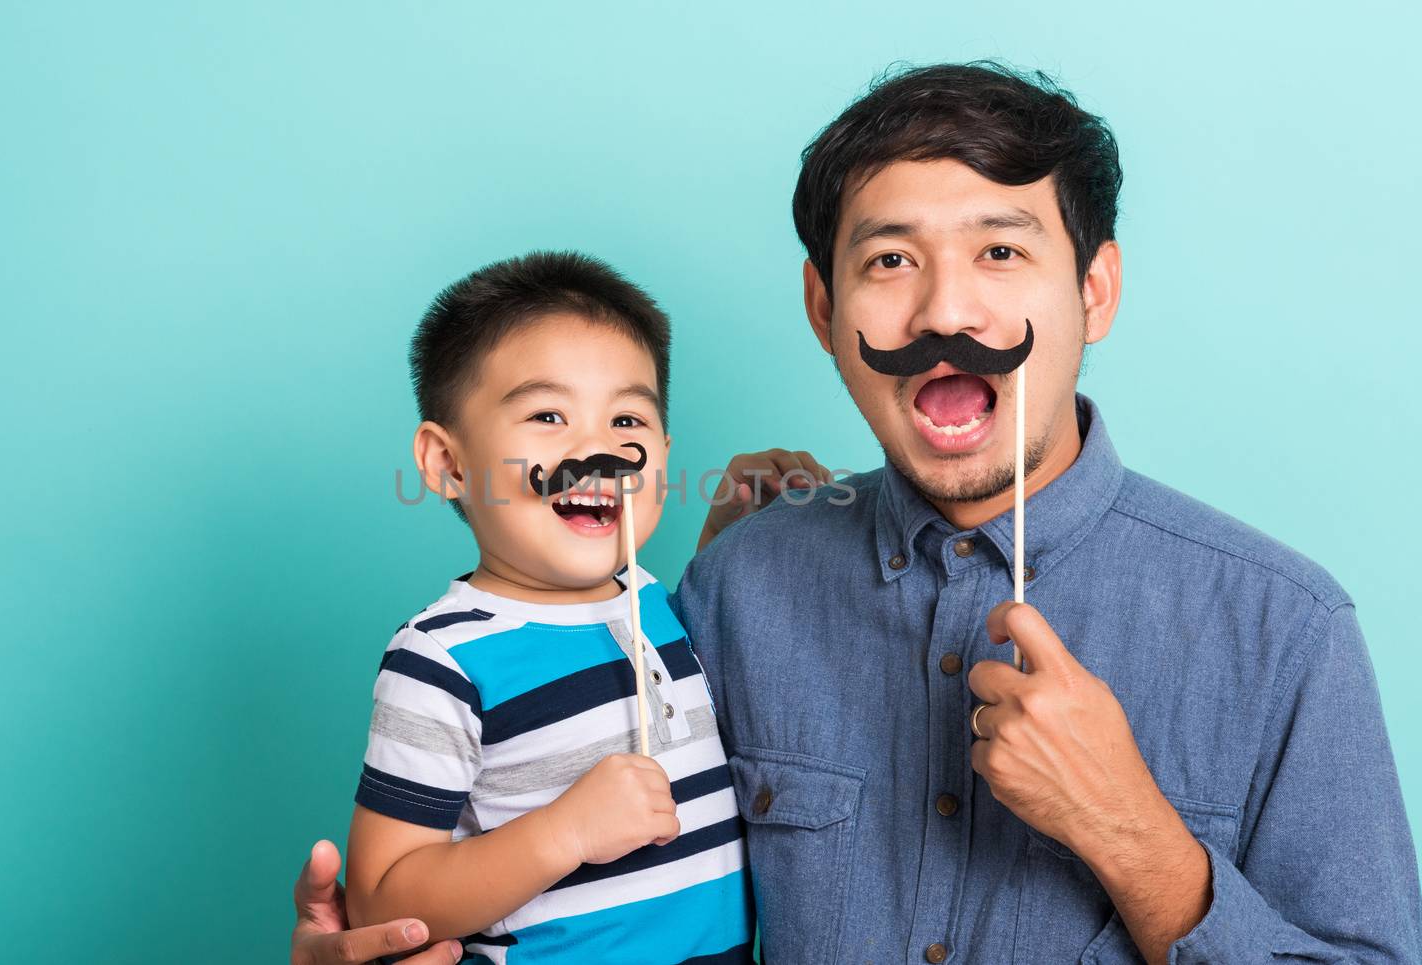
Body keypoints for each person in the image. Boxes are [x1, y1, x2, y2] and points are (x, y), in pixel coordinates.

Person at [294, 63, 1421, 963]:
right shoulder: (731, 593)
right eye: (890, 259)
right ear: (824, 308)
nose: (944, 310)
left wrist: (1137, 839)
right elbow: (606, 899)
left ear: (1094, 290)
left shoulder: (1285, 628)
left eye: (999, 249)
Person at [340, 252, 756, 963]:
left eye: (627, 418)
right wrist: (564, 832)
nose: (597, 449)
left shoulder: (647, 602)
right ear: (448, 463)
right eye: (547, 414)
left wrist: (731, 533)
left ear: (661, 453)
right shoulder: (443, 657)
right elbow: (382, 899)